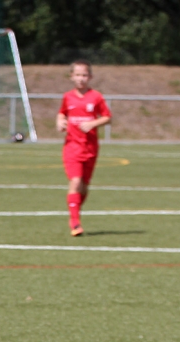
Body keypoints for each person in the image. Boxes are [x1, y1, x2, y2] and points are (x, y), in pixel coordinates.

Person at [56, 60, 111, 237]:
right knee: (76, 181)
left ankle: (75, 210)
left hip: (90, 147)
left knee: (84, 187)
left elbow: (107, 117)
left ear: (90, 77)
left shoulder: (96, 96)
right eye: (78, 75)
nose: (81, 78)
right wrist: (60, 121)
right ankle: (75, 222)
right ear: (71, 77)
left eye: (84, 75)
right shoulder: (68, 97)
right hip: (72, 147)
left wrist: (93, 123)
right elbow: (62, 112)